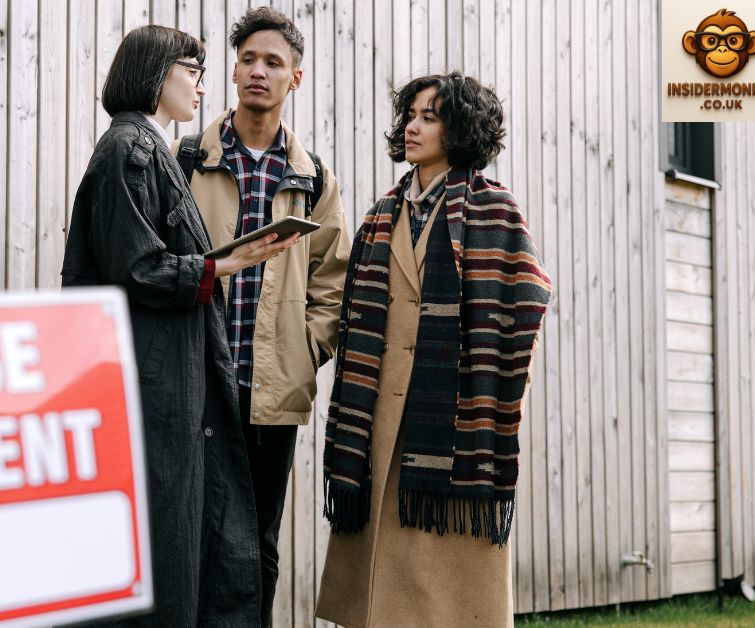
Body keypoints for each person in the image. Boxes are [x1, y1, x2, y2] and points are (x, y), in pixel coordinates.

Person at [61, 24, 298, 627]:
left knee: (182, 530)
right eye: (191, 72)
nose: (201, 86)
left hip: (165, 373)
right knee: (163, 531)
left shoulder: (146, 147)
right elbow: (135, 266)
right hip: (153, 378)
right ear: (156, 73)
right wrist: (223, 265)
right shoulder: (130, 149)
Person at [315, 72, 552, 627]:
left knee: (445, 589)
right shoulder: (381, 214)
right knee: (384, 580)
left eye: (429, 116)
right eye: (410, 115)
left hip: (453, 414)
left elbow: (526, 302)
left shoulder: (495, 209)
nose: (412, 126)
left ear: (460, 129)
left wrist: (494, 387)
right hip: (378, 414)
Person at [175, 8, 350, 623]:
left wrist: (305, 351)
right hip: (198, 383)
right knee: (190, 535)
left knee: (257, 542)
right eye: (248, 59)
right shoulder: (187, 159)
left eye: (273, 62)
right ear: (232, 71)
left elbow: (333, 279)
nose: (258, 71)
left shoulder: (313, 177)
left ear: (294, 78)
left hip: (271, 391)